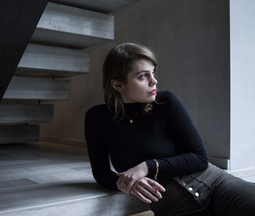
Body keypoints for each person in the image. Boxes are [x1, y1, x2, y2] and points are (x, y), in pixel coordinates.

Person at [84, 42, 255, 216]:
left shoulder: (165, 102)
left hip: (216, 183)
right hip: (174, 205)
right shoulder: (97, 118)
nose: (154, 81)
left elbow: (199, 158)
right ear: (118, 85)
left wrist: (147, 167)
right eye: (143, 76)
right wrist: (127, 182)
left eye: (153, 72)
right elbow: (101, 173)